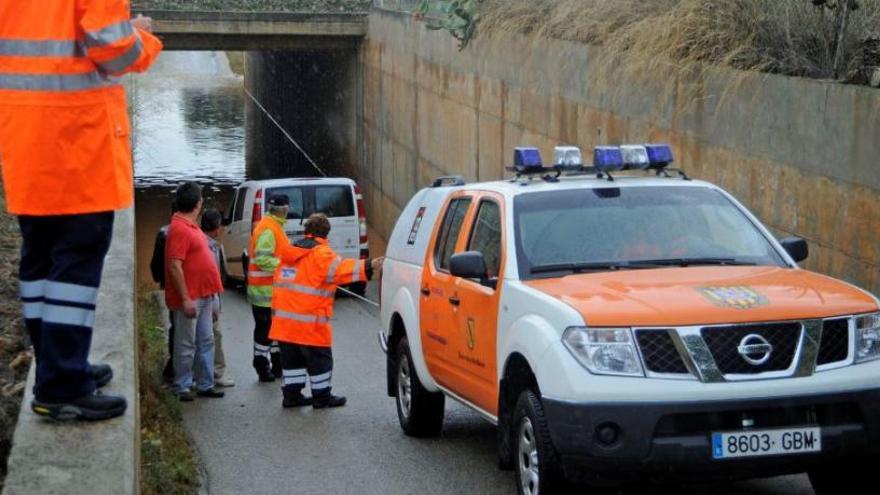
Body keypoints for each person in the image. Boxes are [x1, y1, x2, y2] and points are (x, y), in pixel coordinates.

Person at [0, 2, 162, 420]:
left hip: (24, 133)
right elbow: (114, 49)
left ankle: (58, 366)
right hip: (77, 138)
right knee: (76, 262)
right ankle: (62, 385)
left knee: (40, 257)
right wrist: (141, 36)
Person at [270, 213, 383, 409]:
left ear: (306, 231)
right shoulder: (321, 253)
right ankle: (321, 397)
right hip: (310, 322)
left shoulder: (289, 251)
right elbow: (342, 270)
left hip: (284, 322)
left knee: (291, 361)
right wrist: (369, 265)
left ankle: (292, 396)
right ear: (326, 234)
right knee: (320, 360)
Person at [164, 182, 225, 401]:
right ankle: (183, 385)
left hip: (204, 294)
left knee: (205, 340)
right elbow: (174, 265)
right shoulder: (179, 228)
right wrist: (185, 298)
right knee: (186, 343)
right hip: (191, 297)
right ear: (197, 204)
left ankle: (205, 384)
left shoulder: (190, 226)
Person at [247, 194, 290, 382]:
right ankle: (261, 364)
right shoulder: (270, 228)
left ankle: (276, 364)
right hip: (264, 292)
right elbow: (263, 259)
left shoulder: (272, 226)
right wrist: (285, 267)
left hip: (270, 292)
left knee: (273, 330)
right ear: (285, 209)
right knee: (264, 331)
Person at [200, 208, 234, 388]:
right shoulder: (209, 247)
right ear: (216, 228)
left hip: (206, 298)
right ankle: (216, 374)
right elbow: (211, 278)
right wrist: (214, 305)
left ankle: (205, 374)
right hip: (209, 299)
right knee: (214, 337)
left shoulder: (206, 243)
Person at [150, 201, 178, 384]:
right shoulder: (192, 232)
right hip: (185, 286)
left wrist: (161, 280)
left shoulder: (164, 232)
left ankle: (173, 363)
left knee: (175, 322)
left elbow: (155, 263)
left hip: (169, 285)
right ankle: (176, 366)